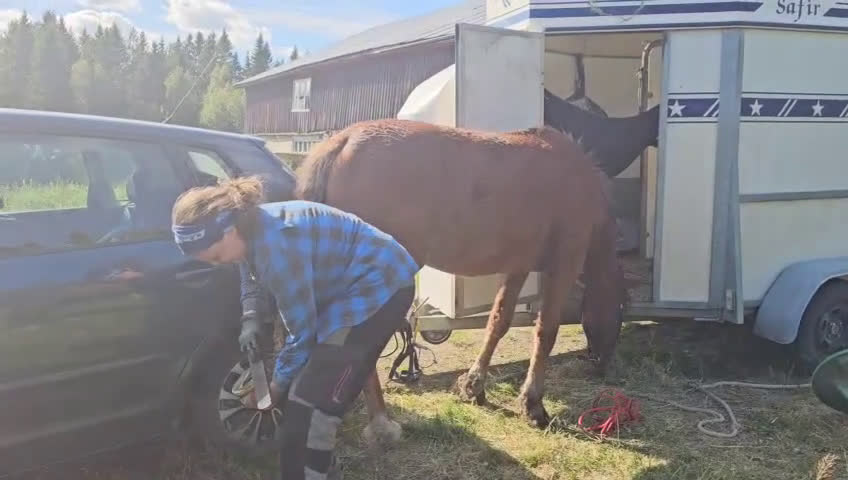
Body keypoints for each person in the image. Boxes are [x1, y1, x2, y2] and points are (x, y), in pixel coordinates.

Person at [170, 176, 418, 480]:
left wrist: (275, 388)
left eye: (217, 256)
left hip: (381, 285)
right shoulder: (247, 230)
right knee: (303, 395)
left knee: (312, 406)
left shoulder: (278, 247)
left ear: (229, 229)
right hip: (343, 287)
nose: (218, 264)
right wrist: (250, 317)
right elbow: (248, 272)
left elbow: (302, 333)